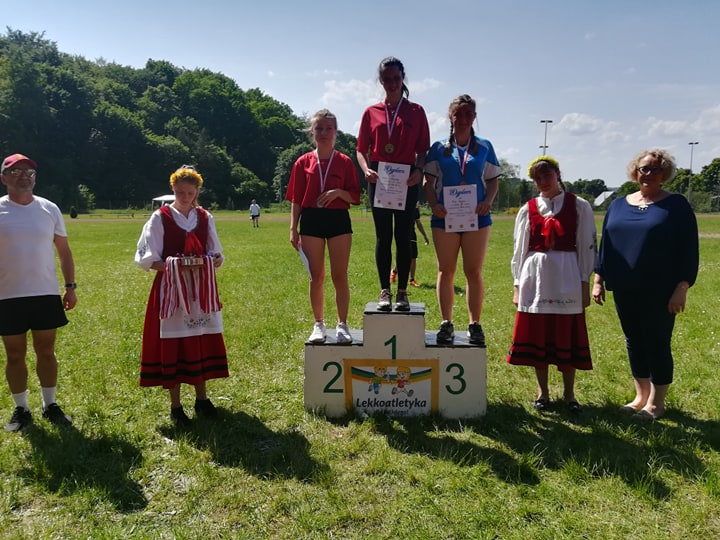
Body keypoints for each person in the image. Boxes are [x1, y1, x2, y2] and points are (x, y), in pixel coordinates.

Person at [593, 149, 698, 420]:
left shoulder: (676, 206)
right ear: (634, 171)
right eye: (643, 168)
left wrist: (682, 286)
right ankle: (640, 396)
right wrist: (598, 278)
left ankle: (656, 402)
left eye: (654, 169)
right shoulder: (618, 204)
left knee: (657, 342)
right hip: (625, 286)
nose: (647, 174)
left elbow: (689, 249)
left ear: (664, 174)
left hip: (661, 289)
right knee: (634, 341)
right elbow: (607, 244)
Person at [135, 165, 228, 426]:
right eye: (180, 192)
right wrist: (176, 266)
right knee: (173, 344)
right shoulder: (160, 217)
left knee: (199, 339)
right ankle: (176, 406)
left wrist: (213, 260)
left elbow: (216, 253)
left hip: (200, 290)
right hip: (172, 291)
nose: (185, 197)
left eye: (190, 192)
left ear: (197, 191)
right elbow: (146, 259)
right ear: (173, 190)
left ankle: (202, 398)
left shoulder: (205, 217)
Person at [507, 156, 596, 413]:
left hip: (567, 275)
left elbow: (587, 246)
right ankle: (543, 392)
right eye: (536, 178)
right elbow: (519, 249)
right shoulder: (528, 209)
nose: (542, 182)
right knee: (540, 335)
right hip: (536, 279)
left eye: (546, 176)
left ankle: (569, 394)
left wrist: (584, 282)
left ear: (557, 174)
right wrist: (517, 285)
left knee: (565, 334)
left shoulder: (578, 206)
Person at [0, 153, 77, 432]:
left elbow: (64, 251)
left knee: (46, 351)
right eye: (16, 171)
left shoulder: (49, 208)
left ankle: (50, 405)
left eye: (29, 172)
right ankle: (21, 408)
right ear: (4, 178)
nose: (24, 176)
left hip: (44, 293)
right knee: (15, 354)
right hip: (7, 296)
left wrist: (70, 287)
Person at [423, 95, 500, 346]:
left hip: (477, 218)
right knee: (446, 270)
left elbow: (492, 181)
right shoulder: (438, 148)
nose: (464, 119)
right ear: (450, 116)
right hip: (445, 218)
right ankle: (446, 322)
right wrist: (434, 205)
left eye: (469, 114)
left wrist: (487, 200)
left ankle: (474, 324)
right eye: (459, 114)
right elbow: (428, 181)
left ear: (474, 117)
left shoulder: (485, 147)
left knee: (473, 271)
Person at [356, 56, 430, 312]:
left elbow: (423, 150)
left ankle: (402, 292)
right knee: (383, 236)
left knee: (404, 235)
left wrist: (419, 171)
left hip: (406, 178)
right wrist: (365, 169)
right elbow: (360, 150)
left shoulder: (417, 112)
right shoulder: (371, 112)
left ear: (403, 78)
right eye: (387, 79)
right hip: (378, 177)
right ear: (381, 81)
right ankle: (384, 290)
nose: (392, 83)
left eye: (396, 78)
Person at [287, 109, 361, 344]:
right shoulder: (303, 162)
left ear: (335, 132)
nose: (324, 133)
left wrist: (339, 192)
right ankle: (319, 324)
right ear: (312, 132)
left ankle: (342, 324)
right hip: (311, 220)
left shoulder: (345, 161)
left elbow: (355, 196)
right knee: (316, 276)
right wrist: (293, 228)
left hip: (338, 220)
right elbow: (297, 198)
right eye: (319, 128)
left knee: (340, 275)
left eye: (329, 128)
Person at [390, 203, 429, 287]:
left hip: (412, 235)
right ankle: (394, 272)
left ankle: (412, 279)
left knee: (413, 257)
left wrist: (424, 235)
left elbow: (418, 223)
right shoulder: (400, 206)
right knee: (403, 256)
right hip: (402, 234)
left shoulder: (415, 209)